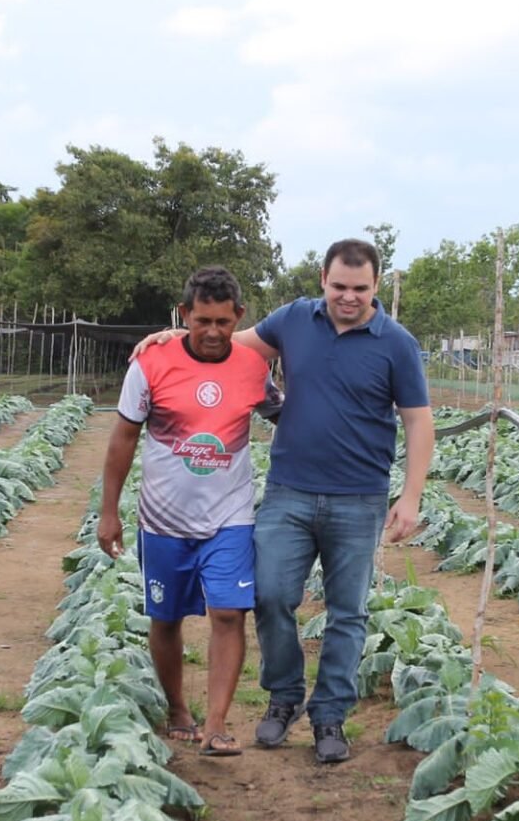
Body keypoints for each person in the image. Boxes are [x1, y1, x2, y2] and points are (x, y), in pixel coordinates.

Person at [136, 239, 434, 763]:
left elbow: (417, 420)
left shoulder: (397, 343)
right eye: (339, 286)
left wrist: (410, 497)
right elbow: (229, 339)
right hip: (288, 492)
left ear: (376, 287)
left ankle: (329, 716)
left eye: (360, 288)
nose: (348, 297)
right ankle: (283, 698)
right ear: (323, 278)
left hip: (359, 498)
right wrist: (174, 337)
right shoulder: (294, 319)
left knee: (347, 611)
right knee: (270, 596)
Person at [98, 266, 279, 757]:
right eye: (203, 321)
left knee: (228, 613)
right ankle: (178, 707)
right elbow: (123, 438)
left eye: (224, 321)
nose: (214, 331)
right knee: (166, 618)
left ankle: (217, 723)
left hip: (230, 517)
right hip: (163, 520)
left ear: (239, 316)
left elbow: (284, 415)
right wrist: (108, 511)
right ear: (184, 316)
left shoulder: (253, 369)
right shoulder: (151, 362)